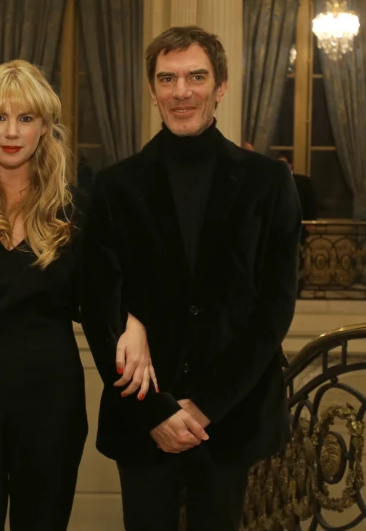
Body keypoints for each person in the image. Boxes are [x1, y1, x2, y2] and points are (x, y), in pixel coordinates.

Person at [0, 60, 157, 531]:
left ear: (45, 127)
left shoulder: (76, 208)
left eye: (26, 118)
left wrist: (137, 323)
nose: (11, 132)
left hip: (50, 399)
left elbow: (110, 293)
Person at [81, 26, 301, 531]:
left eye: (196, 77)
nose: (182, 91)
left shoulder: (268, 182)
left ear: (220, 86)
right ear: (152, 90)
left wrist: (206, 406)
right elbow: (99, 306)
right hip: (141, 417)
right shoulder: (115, 186)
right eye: (168, 78)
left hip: (232, 414)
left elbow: (274, 308)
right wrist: (156, 411)